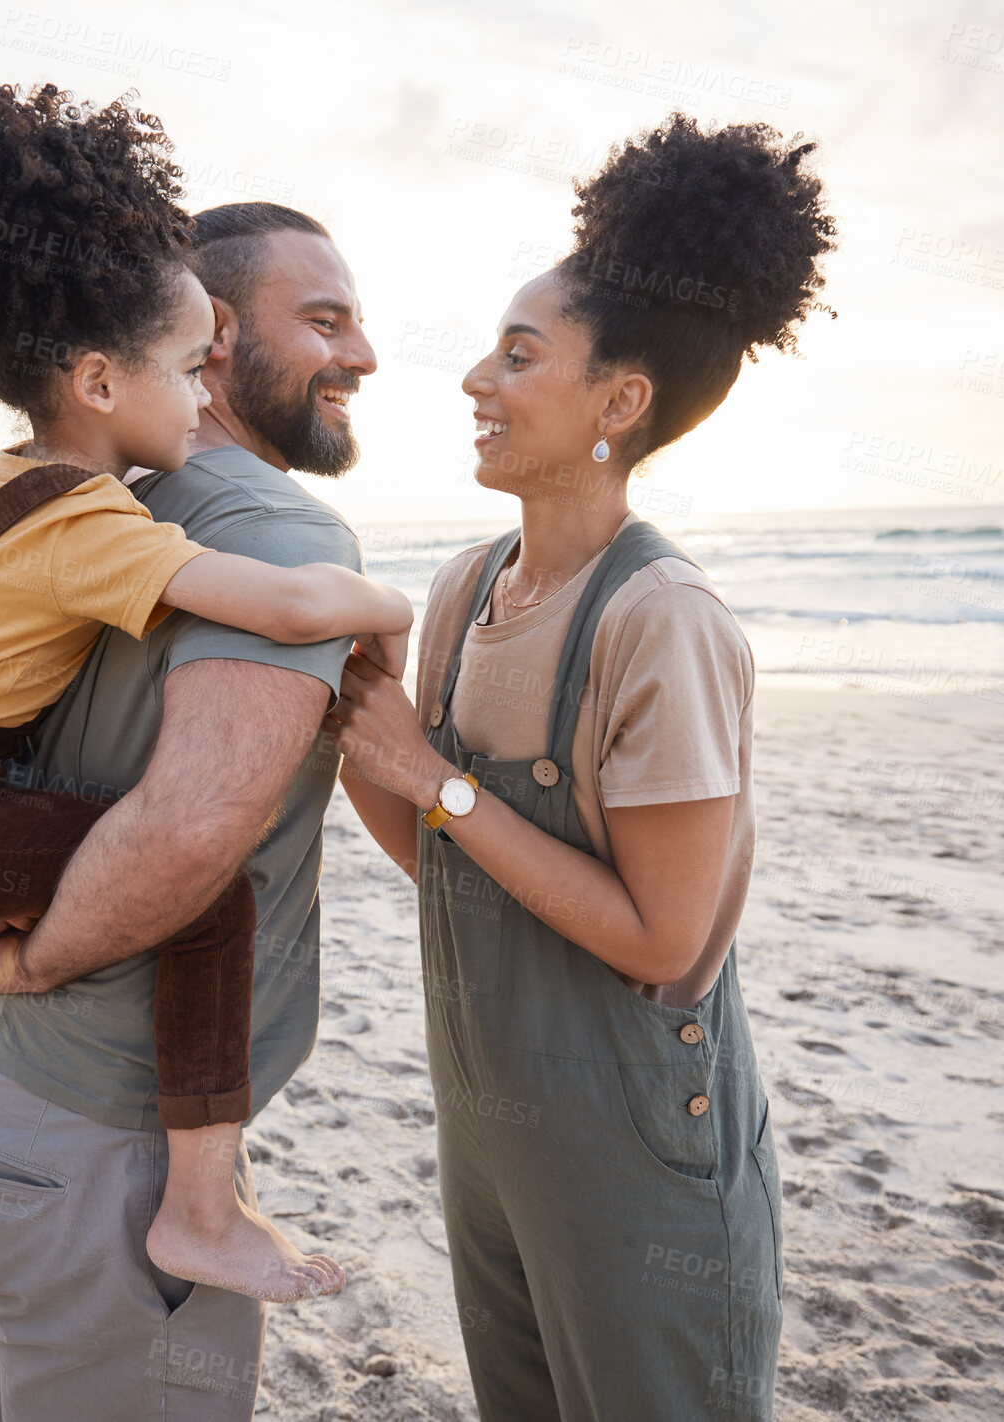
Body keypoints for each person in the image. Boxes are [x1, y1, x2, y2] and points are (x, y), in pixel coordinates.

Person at [0, 84, 409, 1307]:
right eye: (193, 363)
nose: (203, 383)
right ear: (96, 374)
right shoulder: (133, 523)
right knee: (208, 900)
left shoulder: (25, 482)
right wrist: (395, 607)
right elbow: (206, 784)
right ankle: (198, 1207)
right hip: (74, 1112)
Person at [331, 112, 836, 1420]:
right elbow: (445, 868)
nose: (473, 382)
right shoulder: (462, 587)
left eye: (519, 355)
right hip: (489, 1141)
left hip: (636, 1167)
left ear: (617, 402)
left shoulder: (659, 620)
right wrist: (360, 742)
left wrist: (430, 775)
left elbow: (661, 938)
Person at [0, 195, 379, 1418]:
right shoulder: (276, 532)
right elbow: (185, 836)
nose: (364, 357)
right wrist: (28, 963)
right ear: (216, 337)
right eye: (324, 321)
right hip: (97, 1140)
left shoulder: (87, 497)